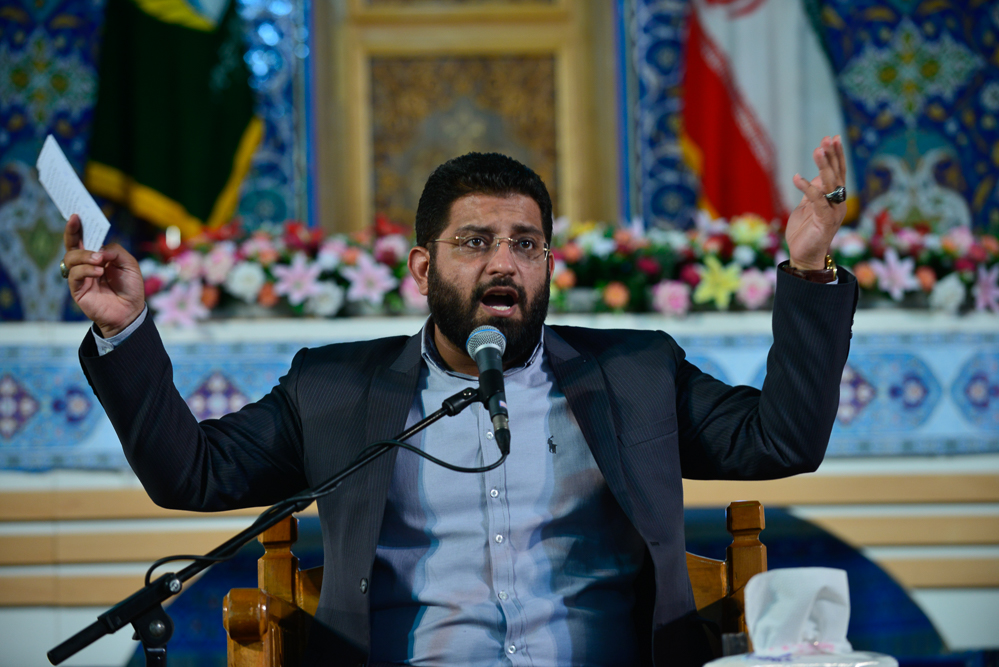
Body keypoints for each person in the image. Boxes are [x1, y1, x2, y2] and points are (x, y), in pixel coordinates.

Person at [62, 141, 856, 667]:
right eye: (475, 242)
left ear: (548, 266)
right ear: (422, 267)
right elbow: (191, 474)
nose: (503, 262)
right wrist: (126, 330)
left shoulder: (636, 371)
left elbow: (780, 440)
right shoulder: (334, 389)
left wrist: (808, 269)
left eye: (525, 244)